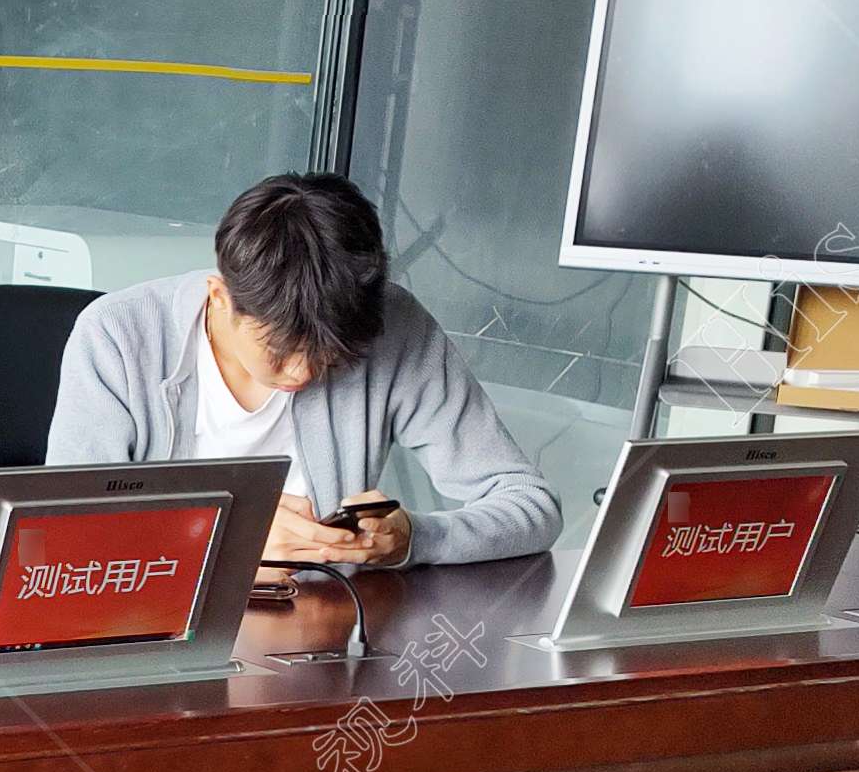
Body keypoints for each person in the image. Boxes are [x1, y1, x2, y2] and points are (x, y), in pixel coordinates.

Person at [44, 172, 560, 569]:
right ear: (220, 297)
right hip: (155, 627)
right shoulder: (119, 335)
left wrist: (413, 538)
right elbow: (60, 534)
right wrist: (225, 544)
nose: (302, 373)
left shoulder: (395, 325)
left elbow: (530, 505)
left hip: (320, 631)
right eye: (278, 350)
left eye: (331, 355)